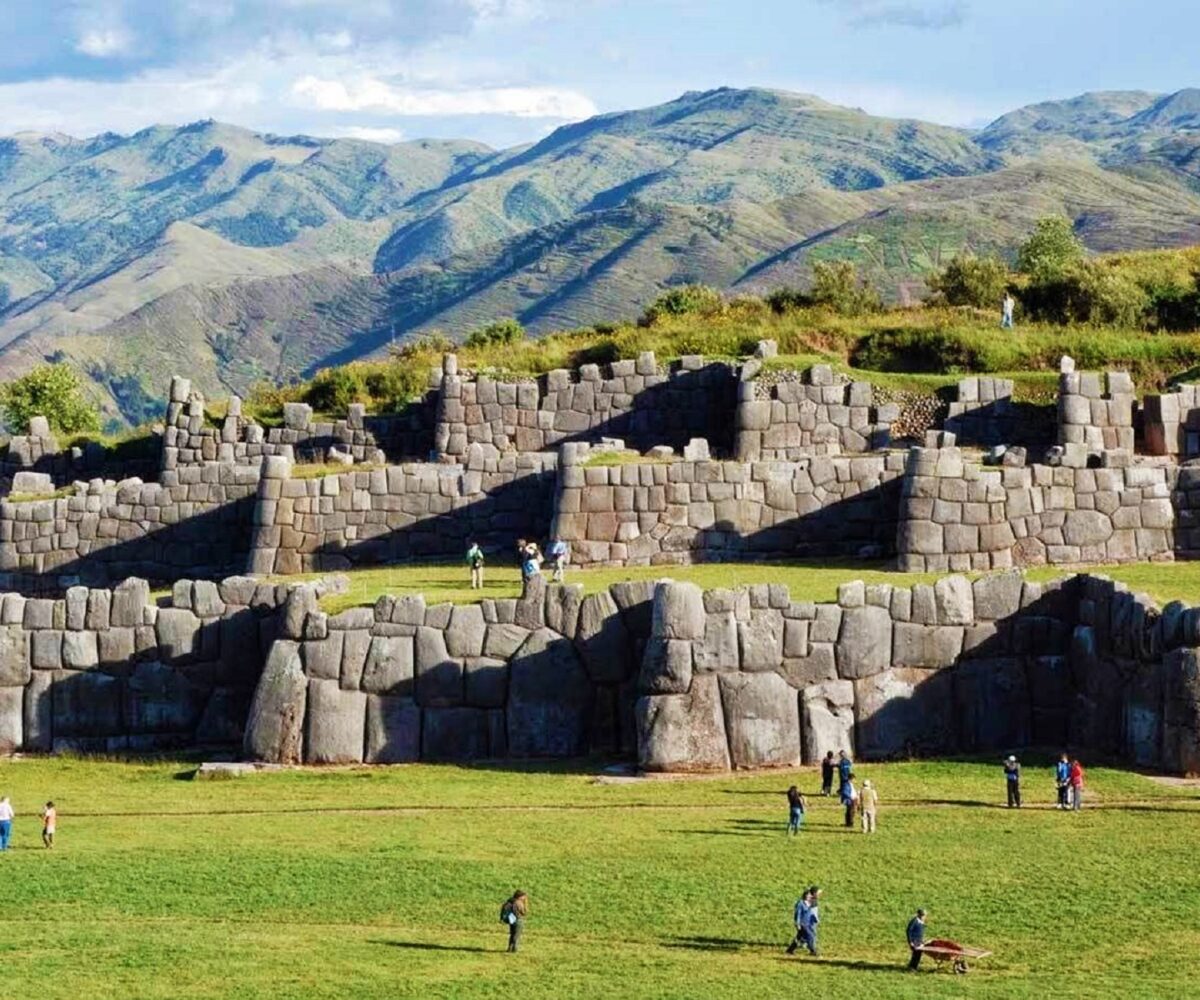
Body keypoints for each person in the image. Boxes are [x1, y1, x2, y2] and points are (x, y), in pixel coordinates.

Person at [786, 886, 821, 956]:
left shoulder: (810, 903)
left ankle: (790, 950)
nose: (810, 897)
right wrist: (797, 923)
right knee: (810, 936)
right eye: (808, 895)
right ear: (805, 895)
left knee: (799, 937)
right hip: (803, 923)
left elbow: (812, 913)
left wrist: (815, 919)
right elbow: (797, 914)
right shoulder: (801, 903)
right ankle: (813, 951)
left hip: (808, 923)